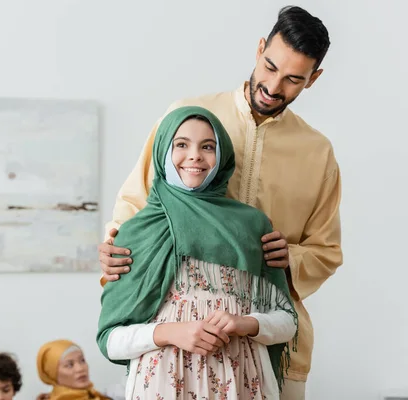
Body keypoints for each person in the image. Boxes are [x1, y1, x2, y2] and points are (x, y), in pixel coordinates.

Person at [98, 6, 342, 400]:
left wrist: (289, 257)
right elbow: (137, 203)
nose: (273, 86)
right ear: (260, 48)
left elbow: (327, 251)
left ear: (313, 79)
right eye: (269, 66)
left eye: (293, 79)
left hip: (266, 342)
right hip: (173, 350)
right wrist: (117, 247)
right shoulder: (191, 118)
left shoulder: (317, 153)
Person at [97, 106, 297, 399]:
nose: (195, 155)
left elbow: (287, 322)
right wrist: (169, 332)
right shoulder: (136, 232)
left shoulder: (253, 225)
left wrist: (245, 323)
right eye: (181, 144)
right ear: (163, 150)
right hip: (163, 385)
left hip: (242, 381)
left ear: (223, 156)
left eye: (208, 146)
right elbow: (110, 339)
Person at [36, 339, 112, 400]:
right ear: (52, 374)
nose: (80, 369)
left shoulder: (99, 396)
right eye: (69, 365)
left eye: (82, 360)